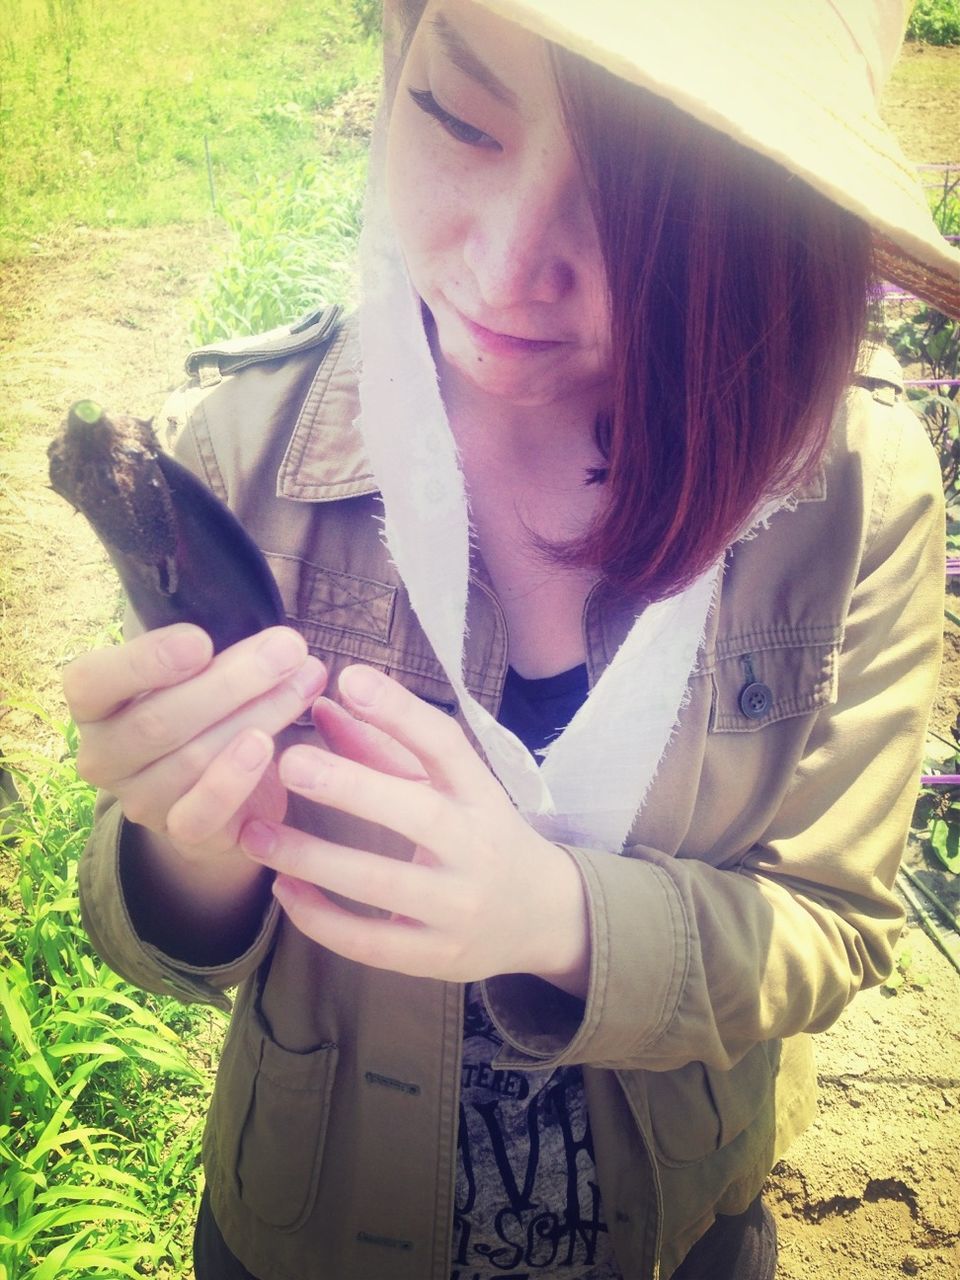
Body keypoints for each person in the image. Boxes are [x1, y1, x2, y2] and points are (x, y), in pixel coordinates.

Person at [67, 2, 958, 1278]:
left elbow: (830, 920)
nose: (502, 262)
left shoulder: (854, 496)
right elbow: (159, 928)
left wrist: (553, 916)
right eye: (457, 117)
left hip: (678, 1239)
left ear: (779, 228)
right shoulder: (242, 456)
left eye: (638, 198)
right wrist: (195, 833)